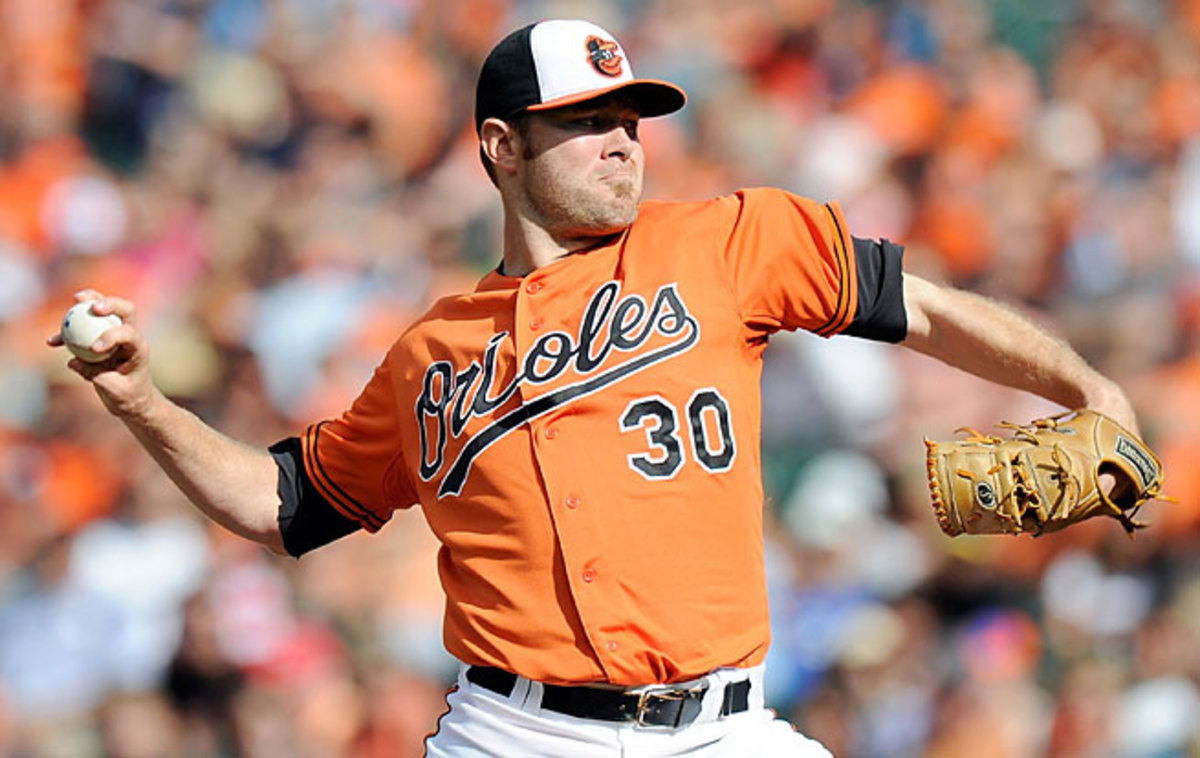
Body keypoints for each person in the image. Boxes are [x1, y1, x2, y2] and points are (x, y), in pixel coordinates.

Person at [50, 18, 1140, 757]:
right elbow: (281, 504)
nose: (623, 142)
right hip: (519, 732)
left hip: (725, 724)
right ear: (500, 147)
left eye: (631, 119)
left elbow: (933, 308)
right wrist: (140, 399)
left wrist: (1085, 381)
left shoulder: (731, 241)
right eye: (587, 122)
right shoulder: (430, 353)